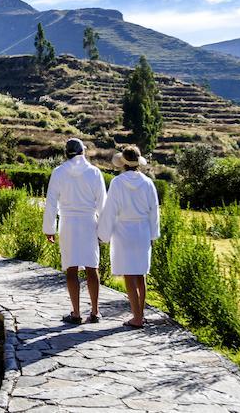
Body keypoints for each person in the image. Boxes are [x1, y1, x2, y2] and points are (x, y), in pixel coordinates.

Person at [43, 138, 107, 324]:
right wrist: (104, 230)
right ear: (82, 152)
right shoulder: (94, 172)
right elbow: (102, 204)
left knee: (71, 268)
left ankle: (76, 313)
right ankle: (95, 311)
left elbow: (51, 202)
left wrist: (49, 228)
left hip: (68, 223)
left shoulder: (59, 172)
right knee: (91, 267)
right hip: (88, 223)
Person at [99, 146, 160, 329]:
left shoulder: (118, 183)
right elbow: (154, 210)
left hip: (124, 231)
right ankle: (140, 314)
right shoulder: (148, 183)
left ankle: (137, 318)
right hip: (142, 231)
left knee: (129, 275)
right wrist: (153, 234)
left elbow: (110, 211)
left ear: (123, 163)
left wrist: (104, 234)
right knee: (140, 275)